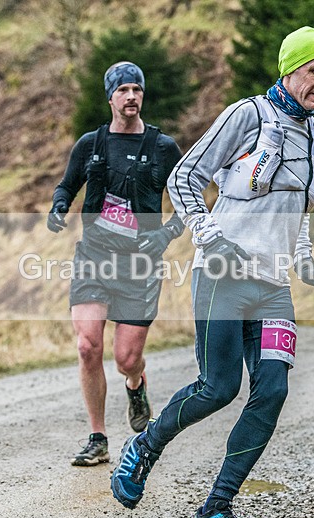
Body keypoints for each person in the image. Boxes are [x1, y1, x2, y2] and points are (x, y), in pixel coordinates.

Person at [111, 27, 314, 518]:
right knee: (218, 387)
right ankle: (145, 446)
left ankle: (216, 509)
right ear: (290, 69)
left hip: (273, 285)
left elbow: (299, 210)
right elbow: (184, 177)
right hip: (223, 275)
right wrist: (210, 238)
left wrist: (306, 264)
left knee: (272, 390)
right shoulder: (248, 115)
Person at [46, 61, 184, 467]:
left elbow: (190, 201)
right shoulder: (91, 144)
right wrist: (58, 206)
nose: (131, 96)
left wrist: (165, 234)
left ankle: (136, 383)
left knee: (126, 358)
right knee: (88, 345)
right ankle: (98, 438)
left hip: (140, 265)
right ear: (110, 97)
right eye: (123, 90)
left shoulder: (163, 147)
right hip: (94, 257)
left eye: (137, 89)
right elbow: (67, 185)